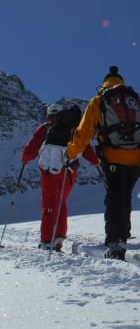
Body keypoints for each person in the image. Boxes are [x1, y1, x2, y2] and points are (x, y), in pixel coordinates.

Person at [65, 66, 140, 260]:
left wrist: (70, 152)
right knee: (125, 194)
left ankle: (116, 242)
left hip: (112, 157)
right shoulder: (136, 102)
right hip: (137, 159)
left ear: (103, 85)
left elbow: (83, 133)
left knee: (114, 197)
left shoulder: (98, 101)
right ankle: (124, 233)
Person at [21, 103, 100, 251]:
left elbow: (31, 149)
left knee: (49, 203)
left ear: (49, 115)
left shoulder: (45, 128)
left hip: (50, 170)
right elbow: (85, 147)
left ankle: (46, 240)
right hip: (70, 170)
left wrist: (25, 159)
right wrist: (95, 162)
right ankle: (58, 238)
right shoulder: (73, 129)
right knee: (61, 203)